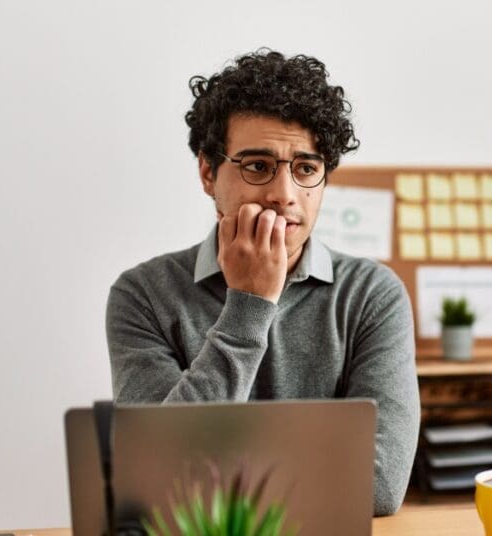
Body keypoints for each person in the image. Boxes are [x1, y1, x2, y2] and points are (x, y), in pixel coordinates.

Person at [105, 49, 419, 516]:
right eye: (257, 166)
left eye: (306, 168)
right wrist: (250, 304)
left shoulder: (373, 295)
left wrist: (214, 475)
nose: (284, 194)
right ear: (208, 173)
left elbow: (377, 486)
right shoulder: (142, 295)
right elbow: (163, 479)